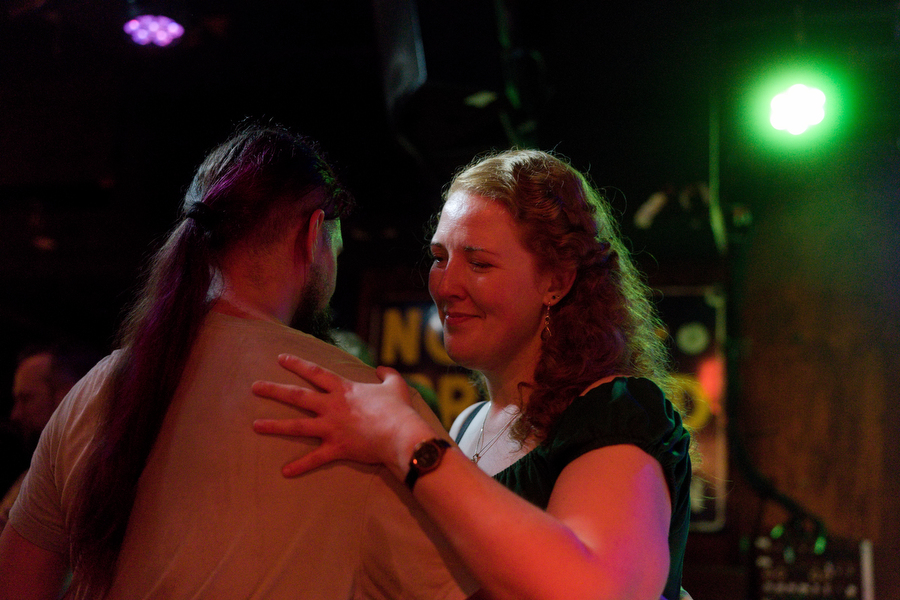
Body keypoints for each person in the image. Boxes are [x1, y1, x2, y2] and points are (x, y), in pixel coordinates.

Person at [0, 122, 478, 600]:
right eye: (336, 246)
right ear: (313, 234)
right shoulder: (365, 405)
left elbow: (16, 583)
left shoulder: (96, 389)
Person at [252, 149, 693, 600]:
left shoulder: (615, 412)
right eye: (439, 257)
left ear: (556, 282)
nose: (445, 286)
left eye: (479, 264)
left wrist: (406, 437)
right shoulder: (468, 423)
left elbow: (598, 591)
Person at [0, 342, 101, 533]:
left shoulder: (88, 476)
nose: (15, 414)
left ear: (67, 395)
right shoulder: (35, 473)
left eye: (27, 399)